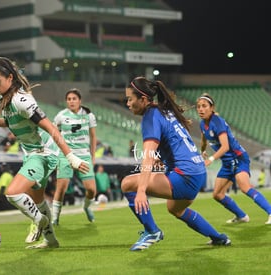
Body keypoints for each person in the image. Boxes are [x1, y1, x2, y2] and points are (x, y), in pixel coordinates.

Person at [0, 56, 88, 249]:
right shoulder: (7, 99)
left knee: (12, 193)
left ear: (10, 78)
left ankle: (40, 221)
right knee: (38, 200)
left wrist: (70, 157)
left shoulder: (21, 100)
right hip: (31, 153)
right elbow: (15, 121)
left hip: (43, 153)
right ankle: (50, 241)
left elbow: (51, 127)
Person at [121, 76, 231, 251]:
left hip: (184, 176)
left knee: (128, 184)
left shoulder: (151, 116)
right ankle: (219, 238)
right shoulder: (164, 110)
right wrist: (163, 159)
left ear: (143, 99)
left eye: (130, 99)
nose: (127, 103)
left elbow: (148, 155)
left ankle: (152, 231)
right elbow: (177, 142)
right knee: (175, 208)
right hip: (198, 172)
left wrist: (141, 191)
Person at [197, 93, 271, 225]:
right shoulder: (203, 124)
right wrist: (203, 151)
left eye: (204, 106)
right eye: (198, 107)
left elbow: (225, 147)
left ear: (212, 108)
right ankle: (242, 216)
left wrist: (211, 158)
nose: (201, 109)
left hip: (238, 158)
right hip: (227, 163)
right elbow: (204, 140)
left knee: (245, 187)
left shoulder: (217, 122)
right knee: (217, 194)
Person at [48, 88, 97, 227]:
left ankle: (87, 207)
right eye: (69, 99)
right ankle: (55, 218)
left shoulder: (88, 115)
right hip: (66, 155)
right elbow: (52, 131)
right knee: (61, 188)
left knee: (92, 190)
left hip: (84, 155)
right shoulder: (61, 116)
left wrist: (92, 157)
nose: (71, 101)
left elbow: (93, 137)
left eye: (74, 99)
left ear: (80, 101)